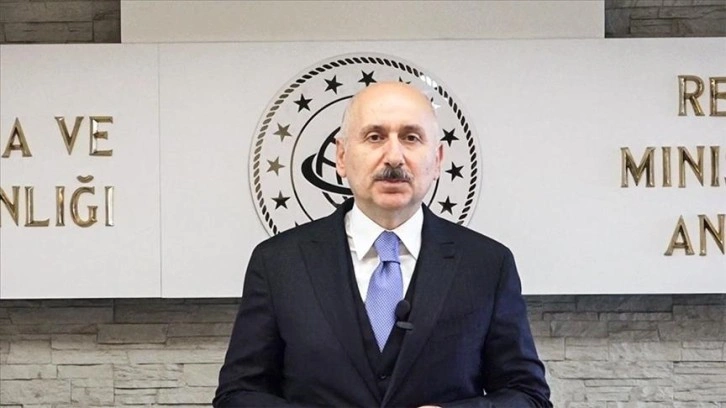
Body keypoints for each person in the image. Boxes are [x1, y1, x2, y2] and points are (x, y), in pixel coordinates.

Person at [214, 82, 552, 407]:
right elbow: (238, 394)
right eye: (375, 137)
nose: (394, 157)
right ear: (341, 157)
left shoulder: (487, 264)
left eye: (411, 137)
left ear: (437, 159)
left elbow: (528, 395)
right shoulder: (279, 263)